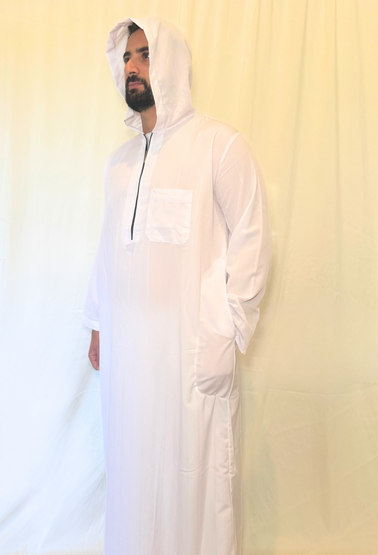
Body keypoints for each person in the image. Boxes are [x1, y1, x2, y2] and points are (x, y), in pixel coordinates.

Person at [82, 16, 272, 555]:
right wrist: (96, 322)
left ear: (171, 63)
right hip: (128, 359)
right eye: (126, 57)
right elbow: (109, 248)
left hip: (192, 353)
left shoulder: (218, 146)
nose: (132, 67)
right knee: (132, 466)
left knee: (195, 478)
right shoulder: (118, 165)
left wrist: (227, 330)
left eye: (144, 55)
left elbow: (253, 238)